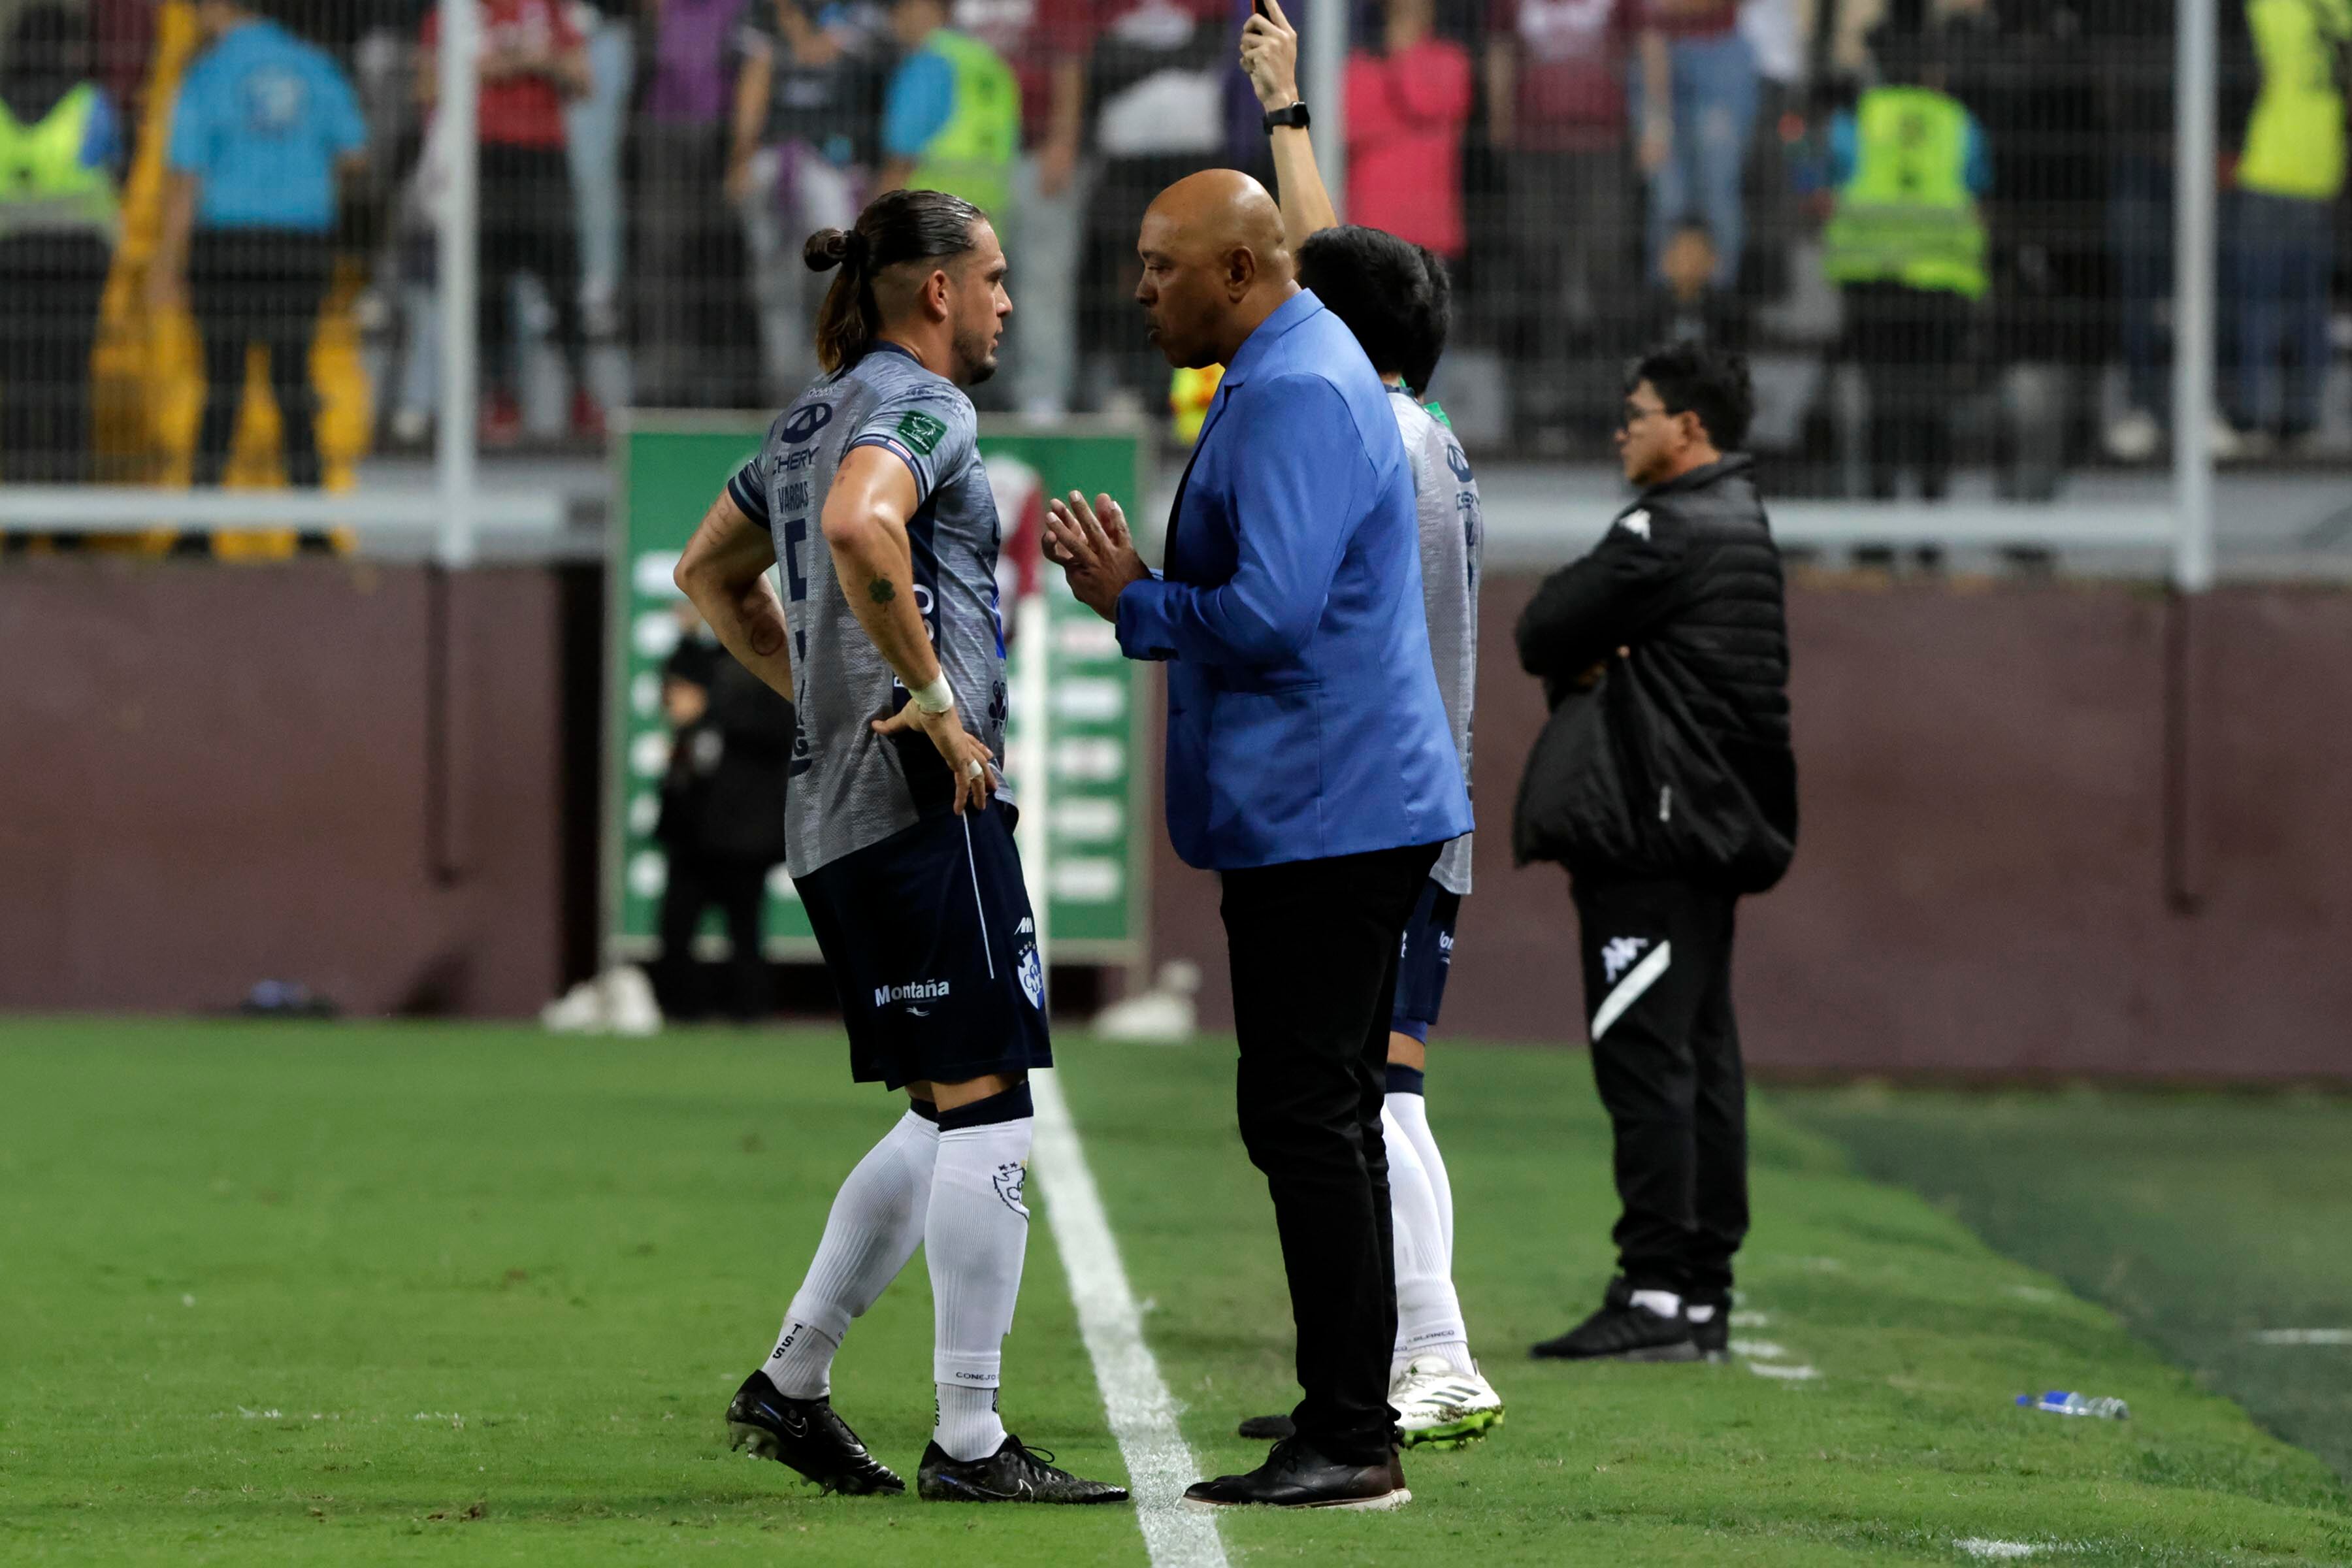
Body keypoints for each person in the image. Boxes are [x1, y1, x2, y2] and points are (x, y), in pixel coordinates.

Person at [672, 186, 1126, 1507]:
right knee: (992, 1111)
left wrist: (819, 697)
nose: (1004, 303)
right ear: (936, 291)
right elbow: (866, 524)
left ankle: (794, 1382)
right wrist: (929, 701)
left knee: (944, 1112)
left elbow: (711, 573)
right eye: (992, 280)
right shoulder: (926, 409)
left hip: (834, 818)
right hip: (926, 811)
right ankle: (972, 1442)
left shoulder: (807, 416)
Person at [1044, 168, 1471, 1510]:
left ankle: (1351, 1434)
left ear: (1239, 270)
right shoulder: (1298, 360)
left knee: (1306, 1113)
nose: (1140, 287)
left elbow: (1274, 615)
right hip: (1344, 801)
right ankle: (1344, 1415)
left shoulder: (1290, 386)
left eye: (1161, 264)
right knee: (1321, 1112)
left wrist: (1136, 598)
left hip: (1329, 808)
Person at [1231, 6, 1502, 1452]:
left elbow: (1318, 291)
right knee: (1379, 1076)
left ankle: (1440, 1350)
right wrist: (1288, 115)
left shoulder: (1364, 435)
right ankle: (1419, 1352)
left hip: (1385, 809)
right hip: (1421, 801)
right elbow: (1343, 281)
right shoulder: (1416, 423)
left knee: (1375, 1084)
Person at [1512, 341, 1795, 1364]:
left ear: (1690, 427)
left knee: (1646, 1056)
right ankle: (1702, 1290)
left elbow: (1543, 628)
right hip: (1706, 827)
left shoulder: (1669, 529)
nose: (1622, 428)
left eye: (1638, 412)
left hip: (1655, 827)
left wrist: (1603, 652)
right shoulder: (1742, 520)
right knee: (1702, 1054)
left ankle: (1659, 1292)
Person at [155, 0, 367, 489]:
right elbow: (354, 154)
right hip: (300, 241)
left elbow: (185, 177)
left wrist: (167, 264)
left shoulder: (208, 73)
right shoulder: (312, 64)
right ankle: (311, 523)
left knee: (221, 385)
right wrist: (302, 175)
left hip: (226, 241)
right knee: (294, 381)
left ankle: (199, 525)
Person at [419, 0, 602, 446]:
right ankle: (499, 399)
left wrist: (542, 63)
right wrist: (507, 65)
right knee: (489, 288)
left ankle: (582, 396)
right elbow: (426, 85)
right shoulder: (454, 13)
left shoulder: (552, 11)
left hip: (544, 159)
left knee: (564, 283)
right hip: (483, 157)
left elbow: (584, 81)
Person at [1821, 32, 1989, 501]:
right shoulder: (1958, 121)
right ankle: (1930, 529)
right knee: (1933, 403)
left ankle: (1878, 523)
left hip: (1872, 280)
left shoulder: (1856, 118)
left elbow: (1834, 173)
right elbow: (1976, 181)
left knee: (1882, 403)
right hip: (1943, 281)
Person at [1484, 0, 1638, 442]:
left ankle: (1606, 398)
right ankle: (1540, 398)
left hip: (1603, 143)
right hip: (1534, 146)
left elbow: (1643, 43)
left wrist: (1654, 119)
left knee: (1605, 270)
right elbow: (1500, 49)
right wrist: (1499, 121)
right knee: (1537, 267)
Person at [726, 0, 887, 403]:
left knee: (837, 278)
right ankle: (784, 391)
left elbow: (830, 51)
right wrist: (740, 159)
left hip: (835, 167)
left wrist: (801, 37)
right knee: (776, 286)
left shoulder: (854, 15)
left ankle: (832, 386)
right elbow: (754, 82)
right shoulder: (756, 21)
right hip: (775, 166)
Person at [2220, 0, 2349, 457]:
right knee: (2308, 304)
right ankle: (2303, 418)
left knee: (2259, 301)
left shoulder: (2264, 6)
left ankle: (2251, 418)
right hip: (2322, 171)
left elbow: (2233, 75)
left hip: (2267, 166)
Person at [0, 1, 121, 486]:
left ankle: (20, 512)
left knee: (19, 387)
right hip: (77, 260)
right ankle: (69, 516)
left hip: (10, 260)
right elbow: (114, 163)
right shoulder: (88, 102)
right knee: (70, 383)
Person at [950, 0, 1090, 417]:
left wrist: (1063, 140)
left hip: (1034, 153)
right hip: (963, 160)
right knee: (961, 282)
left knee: (1042, 282)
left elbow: (1068, 59)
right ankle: (955, 387)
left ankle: (1041, 398)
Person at [652, 633, 796, 1022]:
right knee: (675, 930)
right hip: (691, 837)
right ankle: (682, 1012)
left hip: (742, 839)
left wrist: (708, 709)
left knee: (744, 933)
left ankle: (749, 1013)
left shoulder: (760, 672)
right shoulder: (697, 664)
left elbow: (780, 732)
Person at [633, 0, 752, 407]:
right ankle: (665, 379)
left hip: (719, 137)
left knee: (715, 265)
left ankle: (722, 380)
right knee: (663, 261)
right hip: (663, 133)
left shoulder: (738, 9)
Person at [1633, 0, 1759, 299]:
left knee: (1717, 196)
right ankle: (1666, 305)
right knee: (1667, 199)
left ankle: (1718, 303)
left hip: (1719, 57)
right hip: (1652, 55)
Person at [1343, 0, 1471, 263]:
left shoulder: (1452, 60)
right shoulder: (1360, 63)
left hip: (1428, 225)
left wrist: (1404, 55)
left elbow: (1427, 101)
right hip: (1371, 220)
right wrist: (1412, 126)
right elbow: (1350, 126)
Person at [874, 0, 1019, 212]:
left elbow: (901, 152)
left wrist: (876, 216)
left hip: (929, 209)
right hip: (987, 208)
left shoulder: (928, 62)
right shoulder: (991, 61)